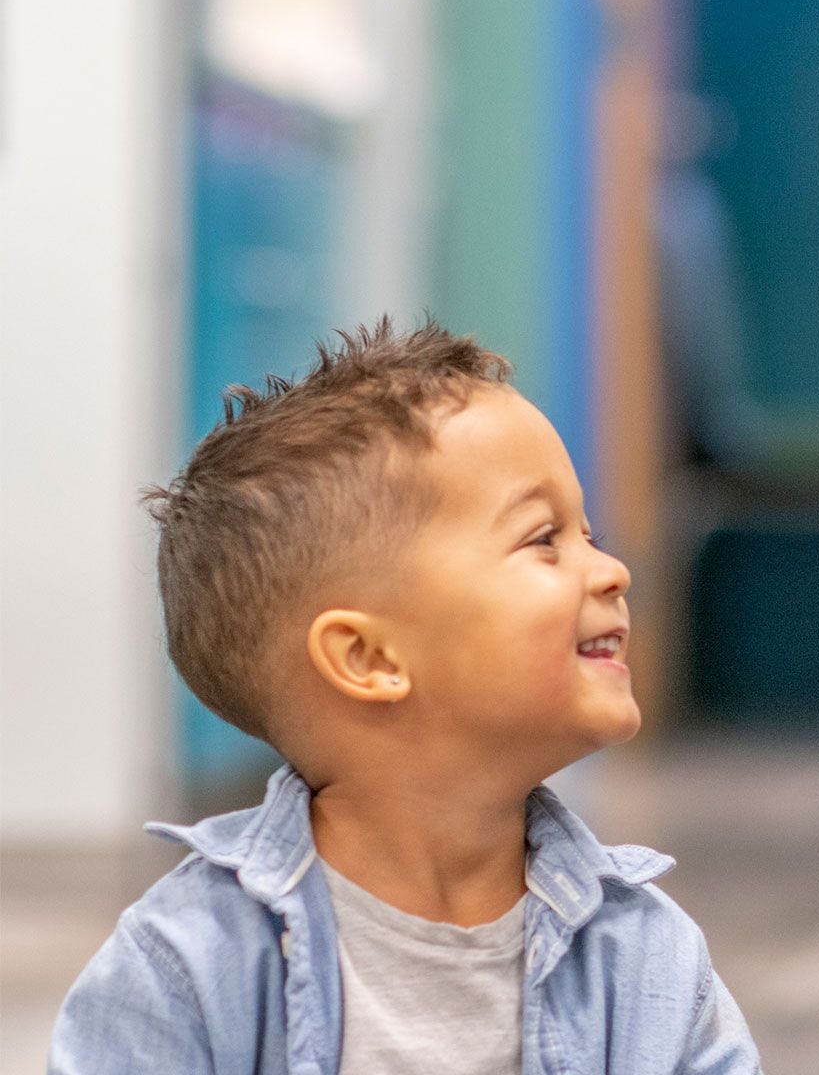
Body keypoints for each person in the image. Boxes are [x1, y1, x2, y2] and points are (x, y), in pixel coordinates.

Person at [49, 322, 763, 1074]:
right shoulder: (187, 967)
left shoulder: (645, 958)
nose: (611, 571)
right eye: (543, 539)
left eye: (591, 534)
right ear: (368, 657)